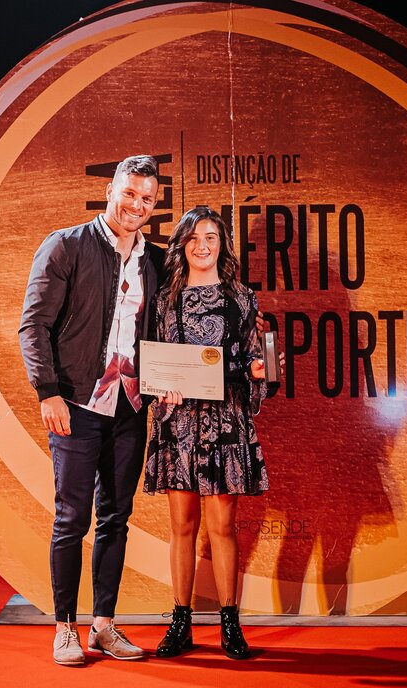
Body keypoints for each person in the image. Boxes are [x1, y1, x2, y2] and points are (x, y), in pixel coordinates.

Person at [19, 154, 166, 666]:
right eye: (130, 194)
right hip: (77, 402)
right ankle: (65, 627)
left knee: (116, 517)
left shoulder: (156, 261)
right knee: (71, 517)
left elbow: (172, 326)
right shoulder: (66, 245)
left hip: (130, 405)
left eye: (147, 198)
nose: (137, 205)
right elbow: (33, 325)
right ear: (111, 191)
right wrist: (48, 392)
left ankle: (103, 625)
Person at [143, 206, 271, 660]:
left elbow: (257, 360)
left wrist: (260, 370)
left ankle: (230, 624)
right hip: (179, 424)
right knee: (182, 525)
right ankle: (180, 623)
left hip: (226, 422)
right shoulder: (164, 299)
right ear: (182, 245)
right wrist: (162, 389)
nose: (202, 245)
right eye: (194, 237)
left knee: (223, 526)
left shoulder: (242, 298)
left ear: (222, 244)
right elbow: (153, 362)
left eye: (211, 237)